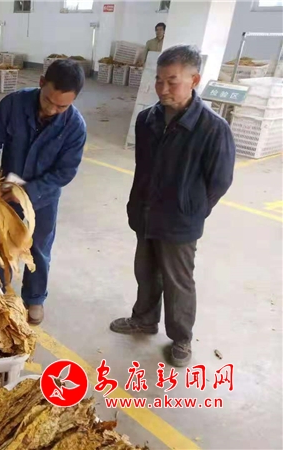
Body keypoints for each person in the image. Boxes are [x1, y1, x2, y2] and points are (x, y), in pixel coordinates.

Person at [110, 45, 235, 367]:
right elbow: (143, 168)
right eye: (159, 80)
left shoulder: (212, 128)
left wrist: (191, 208)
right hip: (145, 213)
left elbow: (220, 181)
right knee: (146, 270)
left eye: (172, 81)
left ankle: (181, 337)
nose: (163, 88)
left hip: (180, 221)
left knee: (178, 281)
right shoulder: (147, 119)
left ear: (194, 80)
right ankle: (144, 319)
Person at [0, 59, 87, 325]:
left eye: (62, 106)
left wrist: (29, 192)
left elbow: (65, 172)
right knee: (2, 241)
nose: (52, 109)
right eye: (48, 100)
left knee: (39, 247)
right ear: (41, 82)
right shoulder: (14, 104)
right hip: (5, 191)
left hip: (43, 197)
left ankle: (35, 297)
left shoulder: (75, 126)